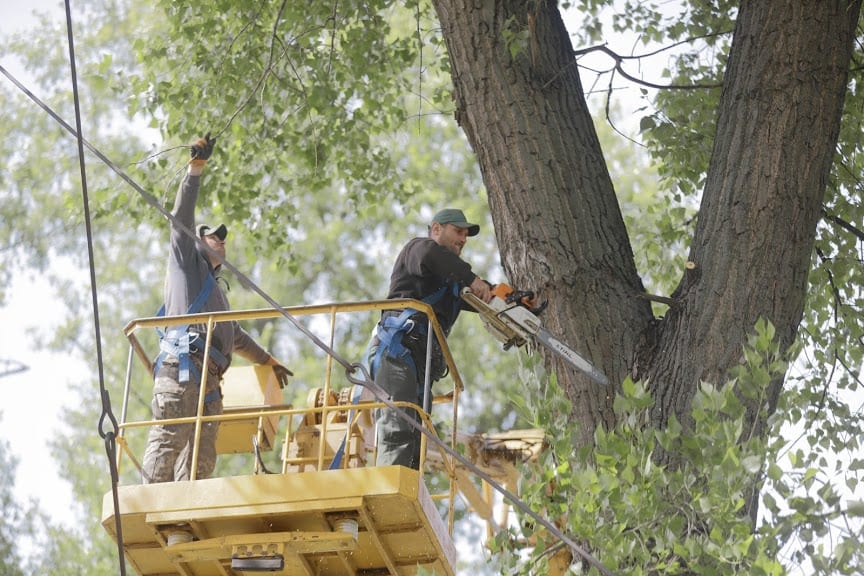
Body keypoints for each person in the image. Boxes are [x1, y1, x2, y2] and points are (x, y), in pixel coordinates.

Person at [141, 133, 292, 484]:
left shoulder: (217, 296)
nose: (221, 239)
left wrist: (267, 360)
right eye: (212, 235)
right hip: (182, 366)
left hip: (209, 381)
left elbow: (235, 336)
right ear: (196, 242)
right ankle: (150, 499)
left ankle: (185, 512)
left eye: (223, 237)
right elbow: (181, 216)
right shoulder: (184, 265)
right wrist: (195, 169)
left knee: (200, 455)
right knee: (170, 437)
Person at [371, 208, 493, 469]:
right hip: (397, 353)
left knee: (419, 439)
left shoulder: (453, 286)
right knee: (398, 429)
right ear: (437, 229)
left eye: (466, 235)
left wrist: (516, 301)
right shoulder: (418, 250)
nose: (463, 239)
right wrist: (473, 278)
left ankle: (408, 498)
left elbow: (485, 297)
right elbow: (431, 257)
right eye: (458, 231)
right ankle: (392, 497)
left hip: (420, 367)